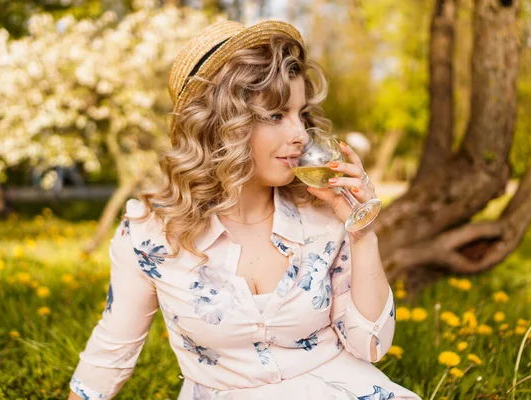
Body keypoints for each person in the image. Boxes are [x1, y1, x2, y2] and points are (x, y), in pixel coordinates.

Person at [67, 19, 422, 400]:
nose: (300, 134)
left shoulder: (325, 217)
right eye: (275, 116)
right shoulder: (150, 235)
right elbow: (107, 360)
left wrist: (361, 234)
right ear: (221, 127)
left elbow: (371, 347)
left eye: (300, 114)